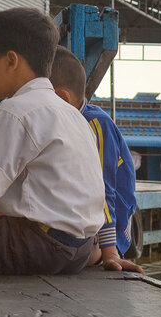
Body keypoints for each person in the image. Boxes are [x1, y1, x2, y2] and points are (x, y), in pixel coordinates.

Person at [0, 8, 104, 275]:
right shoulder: (72, 114)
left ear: (11, 61)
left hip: (36, 247)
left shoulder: (16, 110)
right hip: (79, 250)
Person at [48, 46, 143, 273]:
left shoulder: (94, 124)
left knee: (88, 254)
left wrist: (110, 251)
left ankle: (101, 251)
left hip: (112, 223)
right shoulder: (62, 123)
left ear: (62, 97)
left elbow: (104, 189)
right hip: (81, 216)